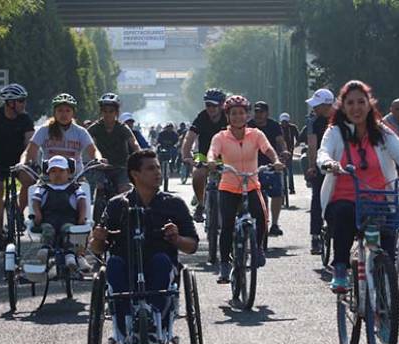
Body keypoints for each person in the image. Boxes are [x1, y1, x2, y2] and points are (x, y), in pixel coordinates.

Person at [317, 80, 399, 292]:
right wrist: (329, 163)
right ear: (343, 106)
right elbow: (323, 153)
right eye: (350, 103)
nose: (356, 108)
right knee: (344, 215)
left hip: (379, 199)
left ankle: (385, 279)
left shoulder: (382, 132)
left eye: (361, 102)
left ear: (369, 104)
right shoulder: (335, 132)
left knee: (389, 236)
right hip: (344, 198)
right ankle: (340, 270)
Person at [90, 150, 198, 327]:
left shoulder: (174, 204)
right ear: (135, 174)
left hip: (161, 265)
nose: (158, 172)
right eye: (150, 168)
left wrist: (176, 239)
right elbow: (96, 248)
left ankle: (154, 317)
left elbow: (192, 246)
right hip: (126, 266)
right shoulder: (117, 204)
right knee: (113, 264)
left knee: (161, 261)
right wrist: (99, 238)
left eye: (157, 168)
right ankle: (125, 321)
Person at [207, 95, 285, 283]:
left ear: (247, 115)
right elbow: (212, 152)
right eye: (233, 113)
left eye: (241, 113)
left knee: (262, 216)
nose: (238, 117)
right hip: (228, 186)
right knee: (226, 226)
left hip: (251, 183)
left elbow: (268, 149)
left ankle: (257, 249)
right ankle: (225, 265)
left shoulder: (256, 134)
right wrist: (211, 162)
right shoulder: (220, 137)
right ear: (228, 116)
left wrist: (275, 161)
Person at [0, 83, 35, 250]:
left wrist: (29, 162)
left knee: (30, 181)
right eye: (20, 101)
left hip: (18, 161)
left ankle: (18, 212)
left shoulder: (25, 119)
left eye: (24, 100)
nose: (24, 104)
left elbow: (29, 143)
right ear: (10, 103)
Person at [21, 93, 104, 173]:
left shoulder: (80, 132)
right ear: (54, 113)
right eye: (60, 110)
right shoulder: (44, 130)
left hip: (75, 180)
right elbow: (29, 151)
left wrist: (99, 160)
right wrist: (22, 163)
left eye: (68, 111)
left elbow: (93, 151)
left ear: (73, 113)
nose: (64, 114)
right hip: (48, 180)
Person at [32, 155, 87, 270]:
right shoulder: (43, 188)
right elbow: (36, 201)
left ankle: (70, 255)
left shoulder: (75, 188)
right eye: (53, 171)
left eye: (61, 171)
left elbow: (82, 202)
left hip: (68, 219)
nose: (57, 174)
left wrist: (82, 217)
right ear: (48, 173)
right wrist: (37, 214)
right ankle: (45, 249)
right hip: (48, 219)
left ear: (68, 172)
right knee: (48, 229)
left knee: (69, 231)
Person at [181, 88, 228, 222]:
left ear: (222, 105)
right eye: (208, 105)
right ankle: (201, 205)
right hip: (204, 155)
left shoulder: (229, 117)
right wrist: (186, 155)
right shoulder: (201, 117)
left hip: (226, 156)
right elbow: (189, 138)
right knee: (198, 174)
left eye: (214, 105)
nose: (211, 108)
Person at [248, 101, 290, 236]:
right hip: (250, 165)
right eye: (256, 111)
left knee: (277, 192)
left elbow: (280, 141)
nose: (258, 115)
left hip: (271, 164)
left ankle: (275, 224)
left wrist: (284, 151)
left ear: (267, 113)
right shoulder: (249, 126)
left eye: (261, 112)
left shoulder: (274, 125)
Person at [88, 93, 141, 194]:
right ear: (101, 112)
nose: (107, 114)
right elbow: (85, 141)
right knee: (97, 188)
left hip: (120, 167)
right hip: (100, 167)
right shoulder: (95, 127)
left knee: (124, 190)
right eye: (105, 111)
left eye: (111, 111)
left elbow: (134, 144)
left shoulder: (122, 128)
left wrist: (140, 157)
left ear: (116, 112)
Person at [304, 88, 335, 255]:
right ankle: (315, 236)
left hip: (340, 165)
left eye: (317, 105)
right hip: (320, 165)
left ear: (327, 105)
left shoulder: (342, 119)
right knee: (317, 198)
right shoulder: (313, 121)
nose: (314, 109)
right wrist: (311, 167)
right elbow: (312, 145)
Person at [279, 112, 299, 195]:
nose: (284, 123)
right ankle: (280, 188)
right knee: (279, 171)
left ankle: (291, 188)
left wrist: (297, 144)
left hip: (289, 152)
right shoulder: (277, 127)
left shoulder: (292, 128)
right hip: (279, 151)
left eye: (286, 121)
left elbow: (298, 137)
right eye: (283, 121)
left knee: (290, 171)